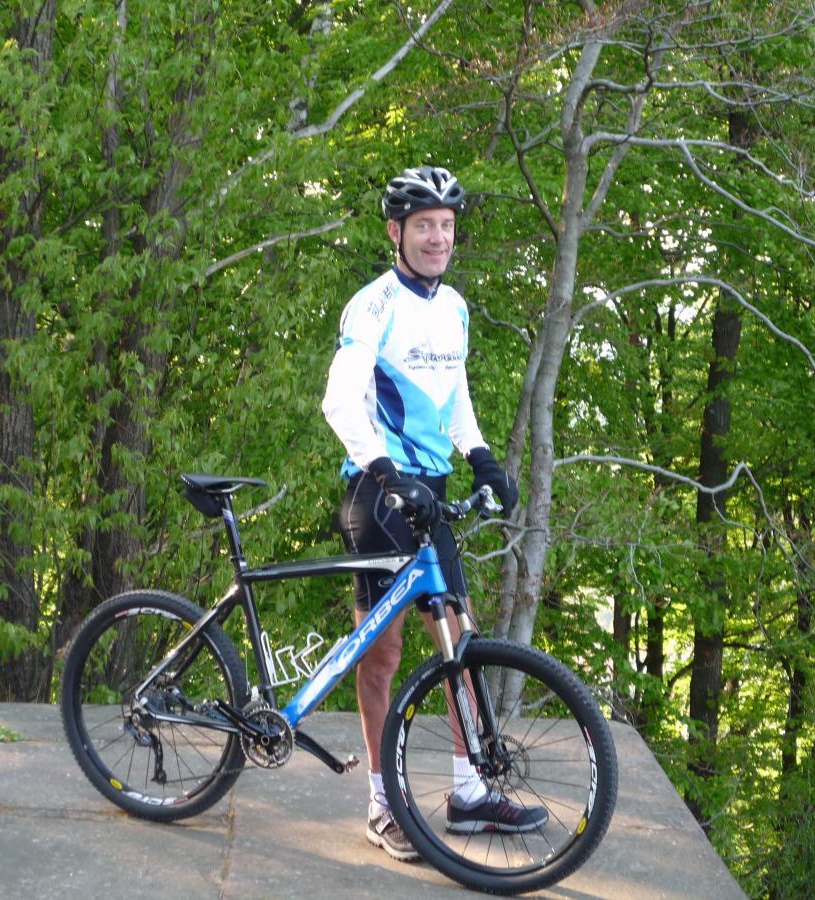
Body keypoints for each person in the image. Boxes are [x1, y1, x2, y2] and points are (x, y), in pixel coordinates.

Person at [321, 165, 544, 862]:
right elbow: (339, 402)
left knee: (460, 639)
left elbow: (455, 391)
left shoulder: (455, 309)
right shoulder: (373, 306)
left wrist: (479, 455)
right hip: (376, 488)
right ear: (396, 231)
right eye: (424, 226)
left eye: (447, 226)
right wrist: (387, 472)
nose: (437, 237)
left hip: (430, 484)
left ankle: (470, 790)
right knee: (382, 652)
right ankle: (383, 804)